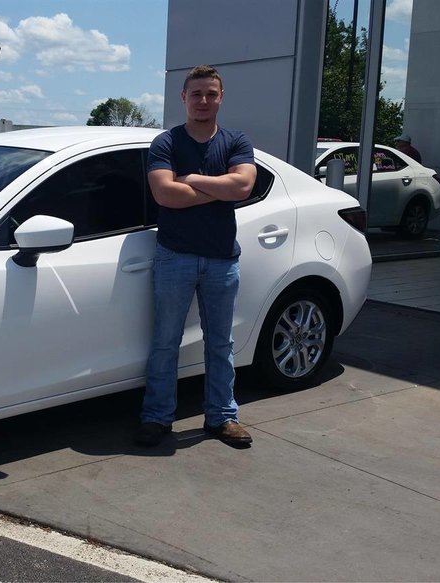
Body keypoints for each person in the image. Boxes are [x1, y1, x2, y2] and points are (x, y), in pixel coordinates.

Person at [135, 65, 257, 448]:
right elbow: (164, 195)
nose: (203, 101)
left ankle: (222, 417)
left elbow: (243, 185)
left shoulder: (236, 141)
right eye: (196, 94)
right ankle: (157, 417)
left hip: (222, 259)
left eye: (211, 94)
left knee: (220, 343)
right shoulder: (166, 143)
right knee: (165, 341)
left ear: (221, 98)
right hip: (175, 256)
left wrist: (190, 180)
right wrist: (220, 189)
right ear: (183, 97)